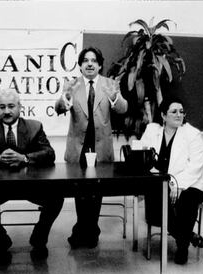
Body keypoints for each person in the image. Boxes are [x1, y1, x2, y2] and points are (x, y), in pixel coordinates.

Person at [0, 88, 64, 264]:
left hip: (31, 184)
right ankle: (0, 240)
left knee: (56, 197)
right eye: (2, 107)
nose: (7, 111)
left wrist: (25, 158)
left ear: (20, 107)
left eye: (11, 106)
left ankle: (39, 239)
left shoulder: (34, 126)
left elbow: (49, 153)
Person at [55, 47, 128, 248]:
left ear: (100, 64)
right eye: (85, 60)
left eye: (93, 60)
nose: (89, 64)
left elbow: (123, 109)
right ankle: (86, 231)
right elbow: (59, 108)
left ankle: (87, 232)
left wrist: (114, 97)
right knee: (80, 191)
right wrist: (65, 97)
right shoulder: (73, 84)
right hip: (78, 147)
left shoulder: (109, 84)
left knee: (96, 191)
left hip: (101, 146)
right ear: (80, 65)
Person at [139, 96, 203, 264]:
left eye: (181, 112)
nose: (179, 115)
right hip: (161, 182)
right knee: (157, 198)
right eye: (174, 111)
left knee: (187, 199)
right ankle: (186, 237)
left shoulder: (192, 133)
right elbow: (143, 158)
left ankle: (182, 247)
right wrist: (168, 184)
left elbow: (196, 166)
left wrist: (178, 185)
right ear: (163, 116)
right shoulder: (152, 130)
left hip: (192, 182)